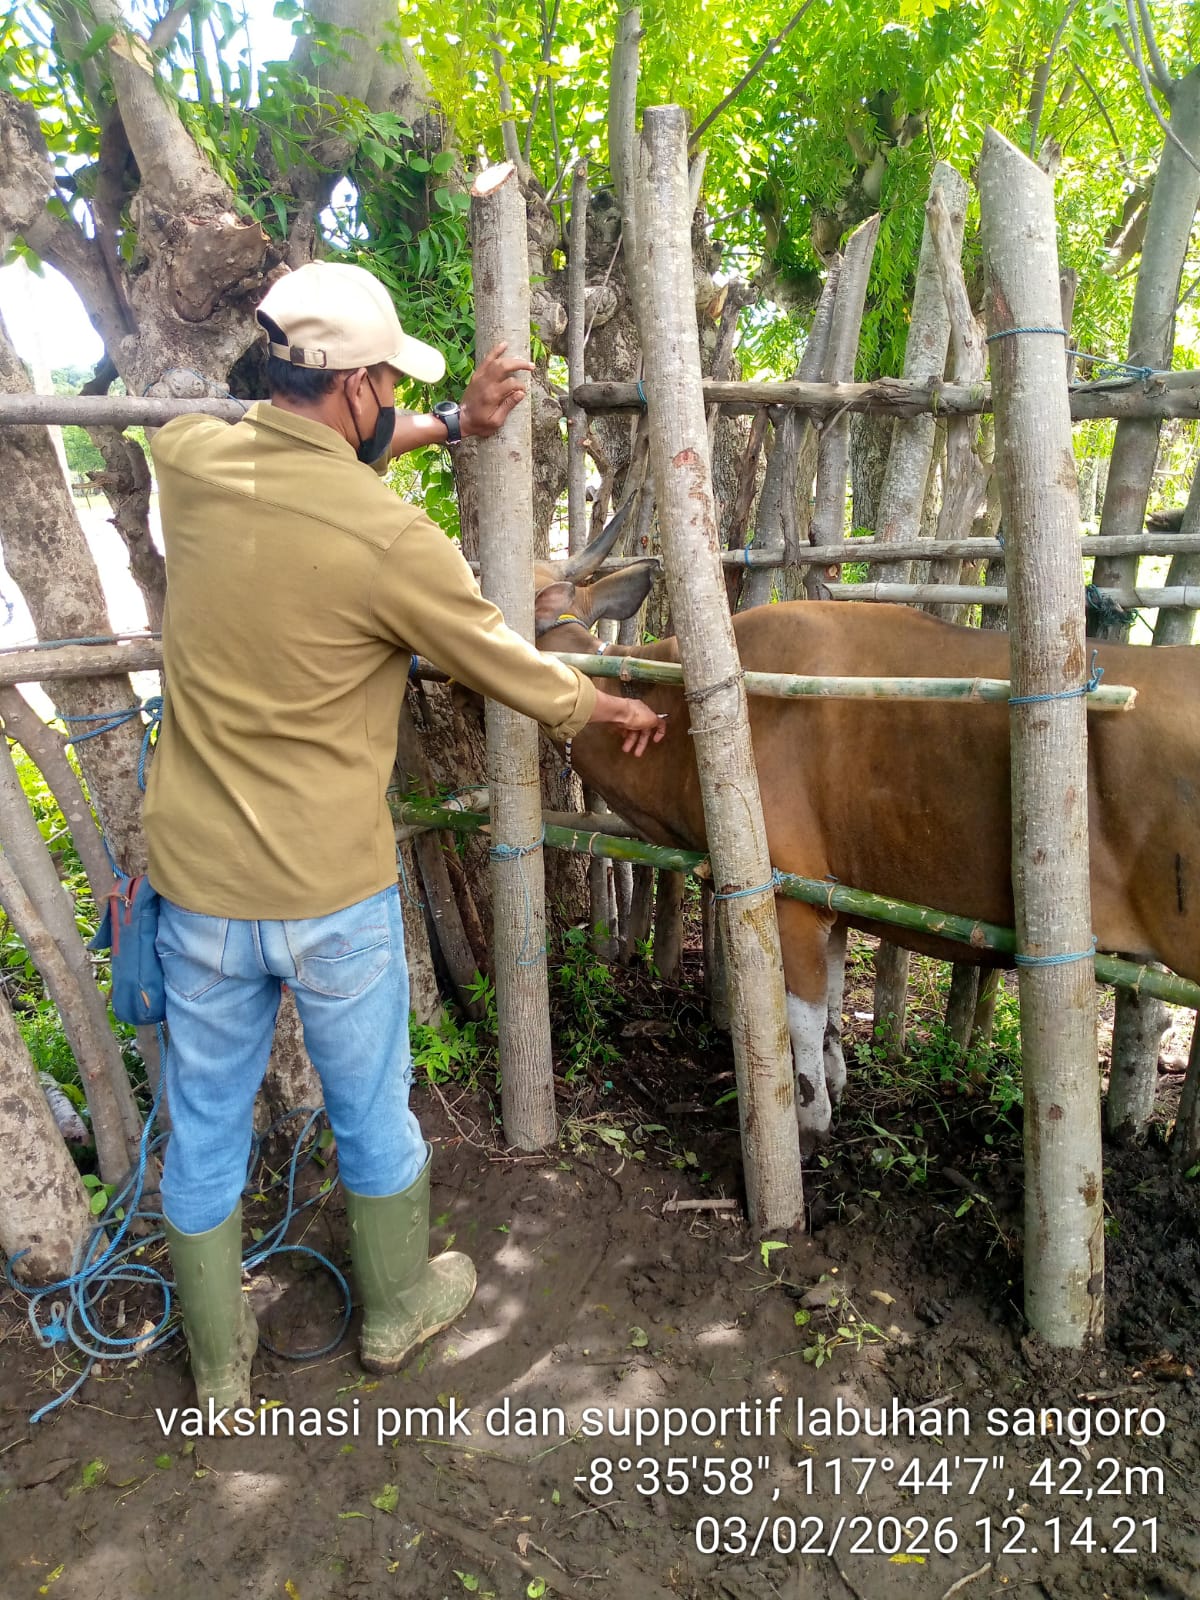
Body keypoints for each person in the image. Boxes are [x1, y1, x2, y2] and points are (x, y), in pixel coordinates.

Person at [144, 260, 664, 1419]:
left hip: (198, 890)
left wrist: (451, 424)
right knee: (372, 1108)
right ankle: (395, 1311)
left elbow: (289, 453)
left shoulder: (185, 464)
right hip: (329, 891)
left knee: (207, 1126)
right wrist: (600, 706)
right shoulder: (393, 542)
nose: (391, 400)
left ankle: (222, 1374)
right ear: (361, 387)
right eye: (388, 383)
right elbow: (501, 660)